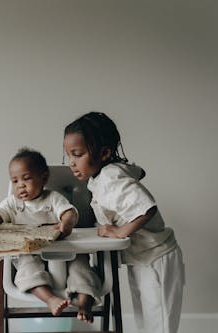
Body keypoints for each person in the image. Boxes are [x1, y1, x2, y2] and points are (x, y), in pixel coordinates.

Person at [63, 112, 185, 333]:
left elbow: (147, 208)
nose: (71, 163)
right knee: (146, 321)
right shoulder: (104, 175)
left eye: (78, 154)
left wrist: (121, 232)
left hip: (155, 258)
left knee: (159, 324)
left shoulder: (111, 177)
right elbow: (140, 171)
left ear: (104, 153)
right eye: (68, 156)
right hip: (141, 258)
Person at [0, 147, 102, 322]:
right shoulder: (12, 203)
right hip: (30, 253)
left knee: (82, 268)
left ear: (43, 178)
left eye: (26, 178)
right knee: (27, 270)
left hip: (66, 253)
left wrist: (67, 223)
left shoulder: (52, 198)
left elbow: (69, 212)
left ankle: (84, 304)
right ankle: (50, 298)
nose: (20, 185)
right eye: (15, 181)